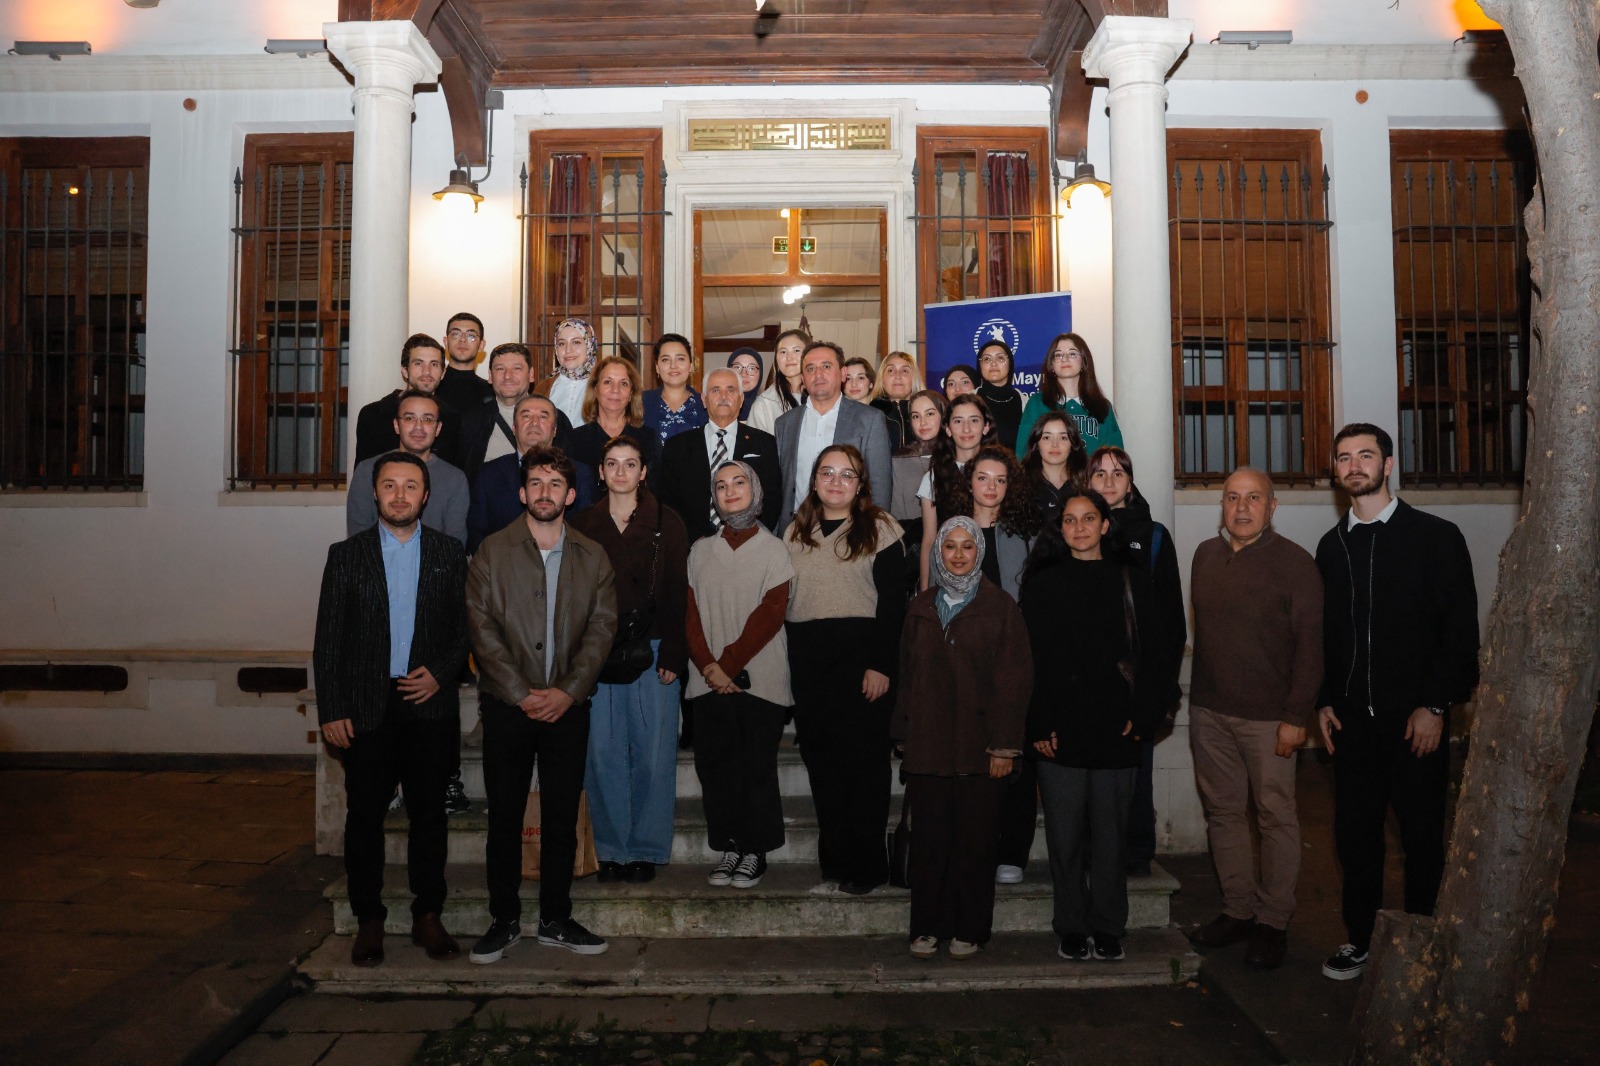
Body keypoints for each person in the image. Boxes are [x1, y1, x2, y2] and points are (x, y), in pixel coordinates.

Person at [1315, 423, 1479, 981]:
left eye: (1366, 455)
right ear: (1336, 471)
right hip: (1351, 727)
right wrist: (1324, 700)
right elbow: (1328, 635)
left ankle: (1421, 948)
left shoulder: (1435, 536)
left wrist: (1435, 705)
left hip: (1415, 723)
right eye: (1344, 457)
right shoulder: (1331, 547)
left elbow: (1459, 632)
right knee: (1356, 841)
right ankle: (1360, 941)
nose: (1354, 465)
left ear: (1387, 465)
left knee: (1421, 841)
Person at [314, 451, 470, 968]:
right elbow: (328, 639)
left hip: (428, 705)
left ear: (426, 496)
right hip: (364, 708)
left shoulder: (450, 553)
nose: (399, 495)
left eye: (410, 486)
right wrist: (332, 707)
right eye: (389, 485)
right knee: (364, 817)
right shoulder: (346, 556)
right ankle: (369, 920)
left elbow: (466, 628)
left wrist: (441, 672)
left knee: (430, 816)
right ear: (375, 493)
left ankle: (428, 915)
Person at [465, 445, 618, 963]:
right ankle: (503, 920)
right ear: (522, 492)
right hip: (507, 706)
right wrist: (520, 693)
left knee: (560, 818)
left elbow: (602, 628)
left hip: (568, 708)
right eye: (536, 482)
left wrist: (568, 691)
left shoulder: (593, 555)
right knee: (505, 818)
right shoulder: (492, 551)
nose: (544, 492)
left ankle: (555, 919)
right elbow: (481, 628)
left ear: (570, 495)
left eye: (555, 484)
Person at [1021, 489, 1178, 964]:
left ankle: (1109, 926)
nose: (1080, 527)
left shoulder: (1132, 581)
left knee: (1111, 840)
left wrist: (1144, 717)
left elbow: (1156, 657)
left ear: (1105, 525)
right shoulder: (1042, 584)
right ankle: (1070, 924)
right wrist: (1038, 724)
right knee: (1064, 839)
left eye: (1089, 518)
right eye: (1070, 520)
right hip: (1060, 731)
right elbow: (1031, 662)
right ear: (1061, 529)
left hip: (1117, 728)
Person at [1187, 467, 1322, 971]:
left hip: (1270, 721)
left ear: (1272, 506)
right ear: (1222, 505)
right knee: (1223, 814)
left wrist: (1296, 716)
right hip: (1209, 713)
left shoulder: (1296, 564)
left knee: (1275, 817)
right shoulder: (1205, 555)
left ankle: (1273, 921)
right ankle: (1238, 910)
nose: (1241, 508)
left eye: (1253, 498)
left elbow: (1311, 649)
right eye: (1232, 498)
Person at [892, 516, 1032, 960]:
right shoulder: (920, 607)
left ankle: (970, 928)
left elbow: (1014, 683)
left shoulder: (1001, 607)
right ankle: (926, 928)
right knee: (930, 845)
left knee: (974, 846)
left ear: (979, 553)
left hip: (980, 750)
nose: (957, 554)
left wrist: (1005, 746)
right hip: (929, 747)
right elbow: (906, 676)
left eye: (966, 546)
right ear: (938, 553)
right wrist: (903, 734)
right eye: (949, 546)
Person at [784, 444, 906, 894]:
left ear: (860, 485)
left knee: (864, 770)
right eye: (827, 473)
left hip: (862, 661)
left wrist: (881, 665)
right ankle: (835, 862)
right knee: (823, 767)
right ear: (815, 480)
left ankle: (867, 867)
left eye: (847, 474)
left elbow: (893, 604)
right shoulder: (795, 531)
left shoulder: (882, 528)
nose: (836, 482)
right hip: (809, 662)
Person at [568, 436, 690, 884]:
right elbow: (572, 595)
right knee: (602, 752)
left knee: (653, 752)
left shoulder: (667, 521)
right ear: (600, 472)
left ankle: (645, 848)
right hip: (598, 649)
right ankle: (610, 848)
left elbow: (678, 590)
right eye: (612, 463)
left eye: (630, 463)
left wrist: (675, 651)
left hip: (653, 647)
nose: (621, 471)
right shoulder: (582, 524)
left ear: (644, 471)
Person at [685, 460, 795, 889]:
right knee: (716, 768)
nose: (730, 490)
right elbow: (690, 615)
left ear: (756, 491)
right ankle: (730, 845)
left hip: (759, 678)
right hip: (707, 680)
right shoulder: (699, 551)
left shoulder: (775, 549)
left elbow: (770, 615)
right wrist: (708, 667)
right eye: (721, 485)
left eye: (739, 482)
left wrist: (726, 666)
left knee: (755, 768)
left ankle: (755, 850)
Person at [1089, 446, 1187, 878]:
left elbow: (1172, 621)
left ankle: (1136, 851)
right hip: (1090, 680)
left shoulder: (1154, 536)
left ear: (1130, 481)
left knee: (1136, 773)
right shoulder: (1076, 530)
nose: (1109, 481)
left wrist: (1159, 688)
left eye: (1118, 473)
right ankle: (1091, 851)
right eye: (1099, 474)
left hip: (1138, 682)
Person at [774, 341, 893, 532]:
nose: (818, 374)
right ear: (803, 378)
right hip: (794, 530)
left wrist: (875, 533)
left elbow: (880, 486)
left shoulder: (869, 420)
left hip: (851, 530)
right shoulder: (785, 424)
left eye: (826, 366)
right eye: (810, 368)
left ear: (843, 373)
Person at [657, 368, 782, 541]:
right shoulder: (677, 447)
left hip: (750, 544)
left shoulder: (765, 444)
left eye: (730, 390)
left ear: (741, 399)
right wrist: (695, 542)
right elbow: (668, 503)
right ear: (704, 399)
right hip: (691, 545)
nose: (723, 396)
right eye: (715, 390)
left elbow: (772, 500)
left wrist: (747, 539)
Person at [467, 394, 595, 554]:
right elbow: (476, 534)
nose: (534, 423)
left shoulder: (580, 474)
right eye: (526, 416)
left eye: (543, 416)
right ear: (514, 428)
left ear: (555, 430)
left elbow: (586, 535)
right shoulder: (488, 474)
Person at [347, 390, 468, 547]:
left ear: (438, 428)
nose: (418, 427)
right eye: (409, 418)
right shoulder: (367, 471)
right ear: (396, 425)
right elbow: (358, 536)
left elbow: (455, 542)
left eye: (427, 419)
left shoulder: (454, 479)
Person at [917, 393, 998, 589]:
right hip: (950, 576)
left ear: (986, 426)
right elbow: (929, 539)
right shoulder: (933, 477)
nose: (966, 428)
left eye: (974, 420)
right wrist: (925, 592)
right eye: (958, 421)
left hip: (995, 571)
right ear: (948, 429)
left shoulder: (1001, 472)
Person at [354, 334, 459, 465]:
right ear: (404, 370)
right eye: (418, 363)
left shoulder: (452, 420)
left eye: (434, 364)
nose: (427, 371)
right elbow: (363, 472)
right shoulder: (372, 415)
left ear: (443, 373)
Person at [565, 355, 662, 495]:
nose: (615, 389)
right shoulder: (575, 440)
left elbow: (655, 491)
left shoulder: (648, 438)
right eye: (607, 382)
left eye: (623, 383)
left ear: (631, 394)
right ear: (595, 390)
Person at [1015, 333, 1123, 457]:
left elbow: (1115, 457)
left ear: (1084, 361)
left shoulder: (1102, 406)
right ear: (1051, 365)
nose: (1065, 359)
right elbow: (1023, 453)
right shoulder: (1037, 403)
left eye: (1072, 354)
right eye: (1058, 355)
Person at [888, 390, 946, 598]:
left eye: (930, 413)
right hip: (914, 554)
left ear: (943, 415)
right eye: (915, 416)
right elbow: (896, 518)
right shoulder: (898, 459)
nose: (922, 422)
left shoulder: (958, 457)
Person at [455, 341, 534, 492]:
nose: (508, 376)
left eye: (517, 368)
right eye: (500, 369)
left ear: (531, 375)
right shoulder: (473, 420)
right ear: (490, 376)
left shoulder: (552, 418)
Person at [1020, 411, 1087, 529]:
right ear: (1036, 444)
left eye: (1063, 438)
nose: (1055, 445)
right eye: (1047, 437)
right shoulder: (1021, 484)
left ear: (1072, 445)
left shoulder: (1086, 482)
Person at [641, 333, 707, 447]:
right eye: (665, 360)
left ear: (691, 365)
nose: (673, 366)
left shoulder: (705, 403)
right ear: (657, 367)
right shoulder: (642, 401)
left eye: (680, 359)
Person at [536, 318, 598, 429]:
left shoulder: (604, 384)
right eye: (561, 343)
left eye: (576, 342)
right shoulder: (544, 387)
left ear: (589, 345)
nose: (568, 350)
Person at [747, 328, 809, 434]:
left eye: (796, 350)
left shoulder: (823, 396)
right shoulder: (764, 404)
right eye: (783, 352)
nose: (789, 357)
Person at [436, 311, 494, 415]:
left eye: (471, 336)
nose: (462, 339)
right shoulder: (431, 386)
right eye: (456, 334)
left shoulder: (492, 392)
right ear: (446, 342)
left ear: (481, 345)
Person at [975, 340, 1024, 451]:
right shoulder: (970, 400)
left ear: (1010, 364)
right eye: (987, 359)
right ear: (980, 365)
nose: (993, 363)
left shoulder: (1024, 401)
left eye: (1000, 358)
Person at [870, 350, 922, 451]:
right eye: (890, 370)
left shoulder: (930, 412)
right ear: (882, 379)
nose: (898, 376)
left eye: (905, 371)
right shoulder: (869, 415)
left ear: (914, 378)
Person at [727, 347, 764, 420]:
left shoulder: (768, 409)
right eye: (737, 367)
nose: (743, 374)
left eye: (751, 368)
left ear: (760, 374)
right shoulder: (714, 406)